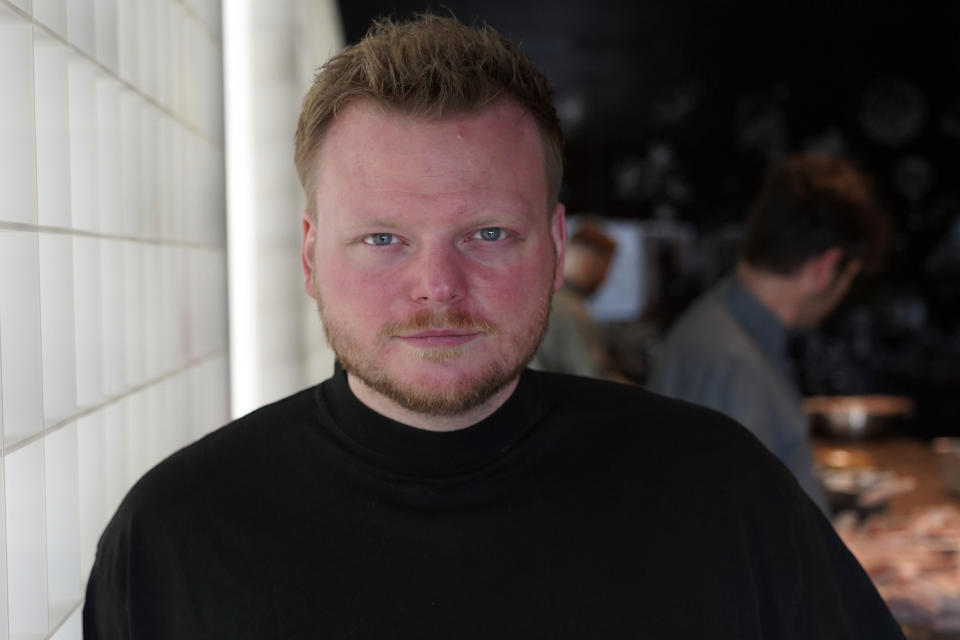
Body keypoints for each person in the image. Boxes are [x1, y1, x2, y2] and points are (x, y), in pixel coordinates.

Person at [83, 16, 905, 639]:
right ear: (309, 255)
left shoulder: (723, 491)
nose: (436, 287)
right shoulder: (174, 534)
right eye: (382, 239)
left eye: (487, 235)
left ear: (552, 247)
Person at [649, 153, 891, 514]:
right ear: (825, 268)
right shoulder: (732, 364)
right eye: (850, 277)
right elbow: (734, 537)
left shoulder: (722, 327)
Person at [530, 220, 619, 378]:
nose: (604, 280)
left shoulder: (537, 295)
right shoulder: (571, 309)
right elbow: (594, 379)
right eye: (605, 269)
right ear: (589, 264)